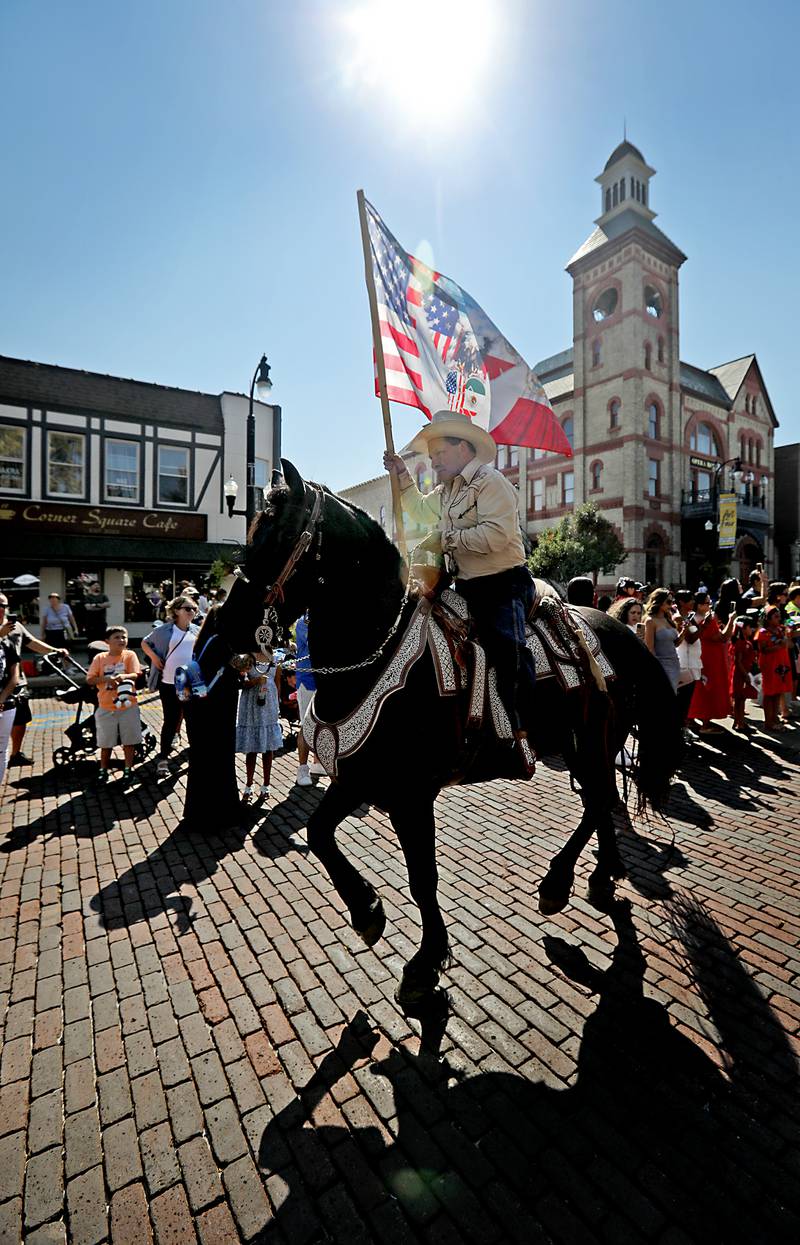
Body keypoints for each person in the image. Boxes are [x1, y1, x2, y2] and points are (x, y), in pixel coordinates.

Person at [384, 409, 535, 738]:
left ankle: (522, 728)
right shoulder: (447, 490)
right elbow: (420, 511)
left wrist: (446, 539)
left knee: (509, 650)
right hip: (465, 584)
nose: (435, 461)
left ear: (463, 447)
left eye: (440, 453)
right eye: (432, 455)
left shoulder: (491, 483)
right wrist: (402, 474)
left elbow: (495, 536)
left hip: (503, 585)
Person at [0, 599, 69, 768]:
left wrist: (55, 651)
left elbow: (32, 644)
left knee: (20, 720)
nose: (2, 609)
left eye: (4, 605)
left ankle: (15, 754)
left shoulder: (15, 626)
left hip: (16, 682)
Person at [142, 595, 201, 777]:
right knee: (170, 721)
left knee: (193, 721)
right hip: (169, 682)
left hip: (190, 683)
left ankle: (195, 756)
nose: (192, 611)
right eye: (187, 608)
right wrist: (153, 657)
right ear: (176, 611)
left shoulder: (197, 630)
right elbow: (145, 642)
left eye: (194, 609)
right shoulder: (165, 630)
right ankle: (163, 758)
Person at [86, 626, 142, 783]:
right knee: (106, 742)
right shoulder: (100, 658)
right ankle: (103, 770)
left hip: (129, 706)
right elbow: (90, 679)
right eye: (117, 637)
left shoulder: (130, 655)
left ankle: (128, 770)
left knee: (129, 742)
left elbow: (136, 674)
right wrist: (107, 679)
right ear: (107, 642)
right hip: (106, 706)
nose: (121, 640)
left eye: (124, 637)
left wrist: (123, 676)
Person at [235, 649, 283, 802]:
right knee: (252, 748)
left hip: (269, 705)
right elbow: (240, 682)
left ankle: (266, 785)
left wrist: (277, 705)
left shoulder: (277, 658)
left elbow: (277, 683)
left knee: (268, 748)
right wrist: (255, 681)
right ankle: (249, 786)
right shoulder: (249, 657)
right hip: (251, 706)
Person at [689, 591, 736, 734]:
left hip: (699, 657)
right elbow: (721, 637)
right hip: (708, 659)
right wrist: (731, 620)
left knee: (698, 688)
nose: (709, 605)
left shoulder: (693, 618)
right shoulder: (704, 619)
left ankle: (691, 718)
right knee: (707, 688)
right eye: (707, 603)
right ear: (699, 605)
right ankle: (705, 723)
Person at [293, 610, 326, 786]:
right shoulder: (303, 622)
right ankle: (302, 769)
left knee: (321, 723)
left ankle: (317, 762)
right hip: (307, 679)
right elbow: (317, 643)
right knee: (306, 725)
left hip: (322, 678)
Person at [756, 606, 793, 732]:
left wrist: (787, 636)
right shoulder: (763, 632)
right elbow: (763, 650)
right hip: (769, 665)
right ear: (768, 618)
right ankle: (768, 721)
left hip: (781, 664)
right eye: (775, 616)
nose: (779, 618)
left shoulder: (781, 629)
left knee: (778, 691)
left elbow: (789, 643)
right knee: (769, 693)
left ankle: (775, 718)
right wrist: (778, 646)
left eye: (779, 616)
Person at [674, 591, 702, 739]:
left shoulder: (691, 616)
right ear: (682, 602)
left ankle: (684, 726)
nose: (693, 602)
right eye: (690, 600)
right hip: (683, 661)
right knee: (682, 698)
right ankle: (680, 727)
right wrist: (705, 624)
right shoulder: (678, 617)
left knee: (688, 697)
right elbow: (691, 638)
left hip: (693, 661)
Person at [643, 589, 684, 691]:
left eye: (672, 602)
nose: (671, 605)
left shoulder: (668, 619)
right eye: (668, 602)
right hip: (661, 664)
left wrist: (684, 631)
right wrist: (656, 669)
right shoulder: (650, 621)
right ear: (659, 602)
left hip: (674, 662)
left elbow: (675, 643)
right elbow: (650, 648)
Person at [729, 616, 758, 733]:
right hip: (740, 674)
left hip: (743, 673)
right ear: (744, 628)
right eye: (750, 627)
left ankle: (738, 721)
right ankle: (739, 722)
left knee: (741, 699)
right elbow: (738, 661)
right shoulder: (740, 643)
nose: (752, 630)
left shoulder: (745, 642)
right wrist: (745, 674)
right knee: (739, 700)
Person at [0, 624, 20, 786]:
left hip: (5, 703)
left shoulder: (8, 643)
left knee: (1, 748)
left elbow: (14, 676)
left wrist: (2, 699)